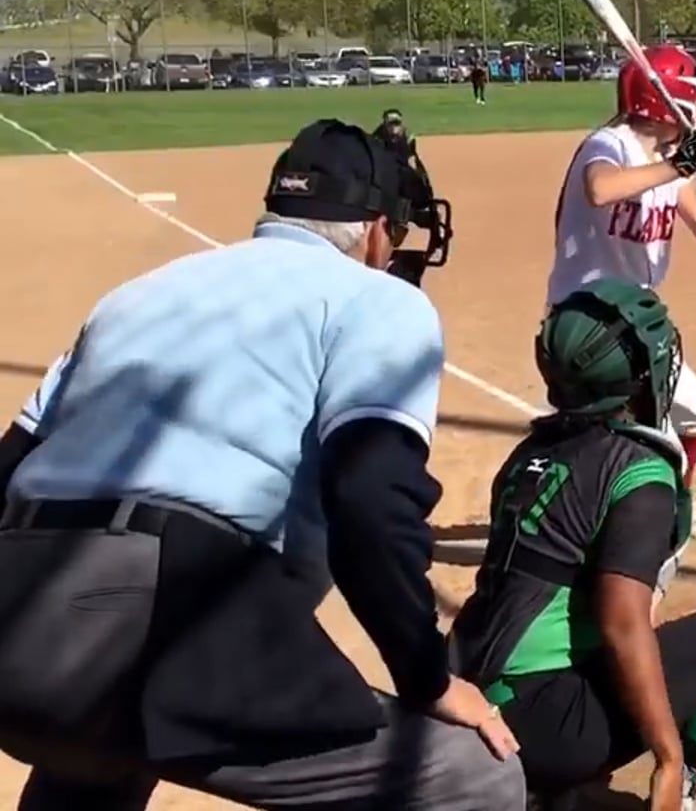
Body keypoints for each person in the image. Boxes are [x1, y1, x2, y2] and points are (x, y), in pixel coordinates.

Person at [0, 119, 520, 809]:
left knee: (95, 751)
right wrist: (427, 678)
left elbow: (11, 461)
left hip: (15, 608)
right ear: (375, 232)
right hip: (158, 602)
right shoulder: (379, 298)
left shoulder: (136, 294)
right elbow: (369, 500)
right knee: (472, 775)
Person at [449, 278, 696, 810]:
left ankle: (555, 793)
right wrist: (665, 754)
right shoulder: (638, 471)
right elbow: (622, 622)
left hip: (463, 695)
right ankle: (680, 794)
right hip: (542, 726)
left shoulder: (528, 454)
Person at [546, 42, 696, 544]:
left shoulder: (665, 159)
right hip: (588, 320)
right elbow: (601, 189)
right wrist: (678, 166)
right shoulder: (610, 144)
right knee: (652, 441)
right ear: (663, 102)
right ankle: (640, 525)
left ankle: (676, 511)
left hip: (635, 319)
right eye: (691, 100)